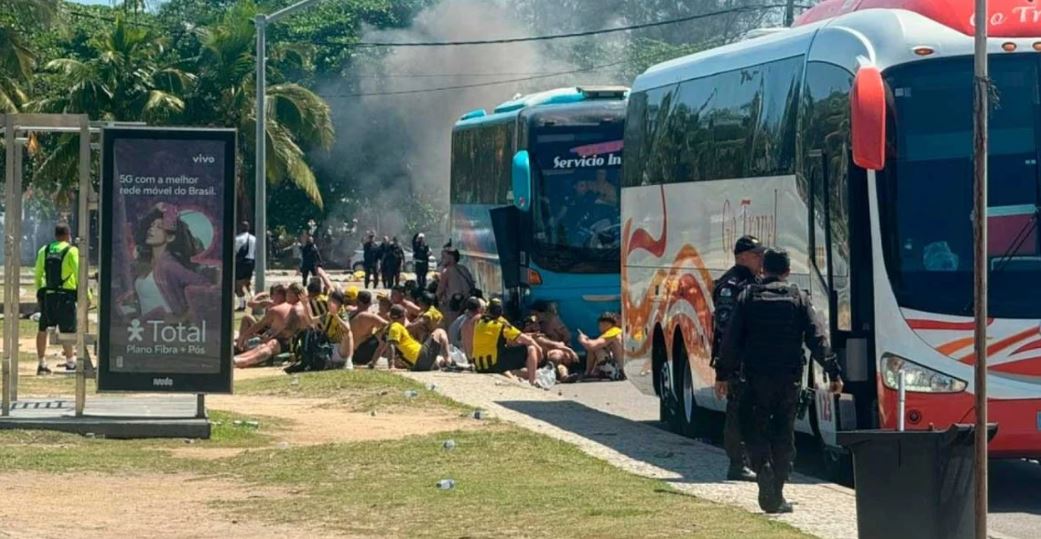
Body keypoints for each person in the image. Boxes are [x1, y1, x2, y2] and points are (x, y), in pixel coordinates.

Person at [717, 248, 843, 514]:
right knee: (784, 433)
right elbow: (817, 338)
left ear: (763, 269)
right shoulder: (798, 298)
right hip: (789, 380)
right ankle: (778, 491)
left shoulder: (747, 296)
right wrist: (833, 371)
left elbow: (731, 340)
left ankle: (762, 467)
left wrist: (723, 375)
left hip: (755, 377)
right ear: (786, 271)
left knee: (754, 428)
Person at [712, 234, 766, 482]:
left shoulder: (756, 280)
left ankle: (757, 460)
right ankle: (737, 463)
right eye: (757, 255)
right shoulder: (730, 285)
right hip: (737, 360)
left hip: (755, 357)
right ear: (742, 257)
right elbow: (725, 329)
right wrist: (724, 369)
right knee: (737, 411)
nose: (761, 259)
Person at [130, 203, 214, 321]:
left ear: (170, 237)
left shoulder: (169, 266)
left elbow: (206, 286)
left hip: (167, 332)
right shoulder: (146, 262)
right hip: (145, 331)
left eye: (159, 227)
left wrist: (183, 318)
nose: (151, 228)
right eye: (152, 225)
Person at [34, 224, 80, 374]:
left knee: (43, 328)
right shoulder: (71, 251)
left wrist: (40, 293)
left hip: (49, 295)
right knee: (68, 330)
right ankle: (71, 362)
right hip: (66, 296)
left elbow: (38, 274)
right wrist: (86, 295)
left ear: (55, 235)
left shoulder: (44, 250)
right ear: (68, 235)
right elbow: (79, 273)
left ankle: (42, 363)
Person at [234, 283, 310, 368]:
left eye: (287, 293)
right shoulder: (301, 306)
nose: (286, 296)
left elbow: (289, 331)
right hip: (291, 339)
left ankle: (243, 361)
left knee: (271, 345)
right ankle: (236, 359)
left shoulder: (296, 309)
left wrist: (272, 337)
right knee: (263, 346)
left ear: (293, 295)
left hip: (292, 342)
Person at [471, 299, 541, 385]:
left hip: (479, 366)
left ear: (487, 310)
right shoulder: (501, 326)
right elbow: (527, 340)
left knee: (500, 351)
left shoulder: (478, 322)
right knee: (531, 349)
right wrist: (539, 350)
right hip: (494, 365)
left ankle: (516, 378)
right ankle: (533, 381)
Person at [384, 305, 450, 371]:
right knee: (440, 331)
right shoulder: (396, 326)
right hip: (420, 356)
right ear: (403, 315)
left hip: (418, 363)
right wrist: (391, 365)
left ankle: (444, 363)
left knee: (439, 360)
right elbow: (391, 344)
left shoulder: (395, 327)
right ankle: (448, 361)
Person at [578, 312, 625, 380]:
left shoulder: (613, 332)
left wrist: (582, 340)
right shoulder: (619, 332)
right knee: (597, 347)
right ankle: (590, 373)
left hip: (619, 373)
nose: (601, 326)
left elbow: (591, 346)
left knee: (596, 348)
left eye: (603, 324)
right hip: (624, 370)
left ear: (610, 324)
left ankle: (588, 373)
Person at [436, 246, 476, 326]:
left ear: (451, 257)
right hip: (466, 304)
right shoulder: (464, 269)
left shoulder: (447, 271)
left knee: (451, 327)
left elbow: (440, 290)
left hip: (453, 305)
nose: (442, 259)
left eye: (444, 257)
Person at [349, 291, 388, 367]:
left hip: (350, 352)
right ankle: (381, 357)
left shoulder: (351, 312)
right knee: (385, 331)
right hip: (361, 354)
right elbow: (389, 325)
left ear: (357, 301)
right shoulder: (368, 316)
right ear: (370, 303)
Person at [320, 290, 355, 370]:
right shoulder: (328, 314)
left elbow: (347, 329)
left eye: (331, 300)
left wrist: (335, 315)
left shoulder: (342, 313)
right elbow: (312, 320)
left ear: (338, 303)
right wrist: (305, 305)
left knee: (349, 334)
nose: (328, 302)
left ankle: (348, 361)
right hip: (329, 348)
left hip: (340, 350)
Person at [233, 221, 257, 311]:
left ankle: (242, 305)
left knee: (237, 286)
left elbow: (234, 252)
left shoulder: (237, 239)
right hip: (251, 262)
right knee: (248, 284)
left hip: (241, 264)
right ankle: (255, 301)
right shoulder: (254, 238)